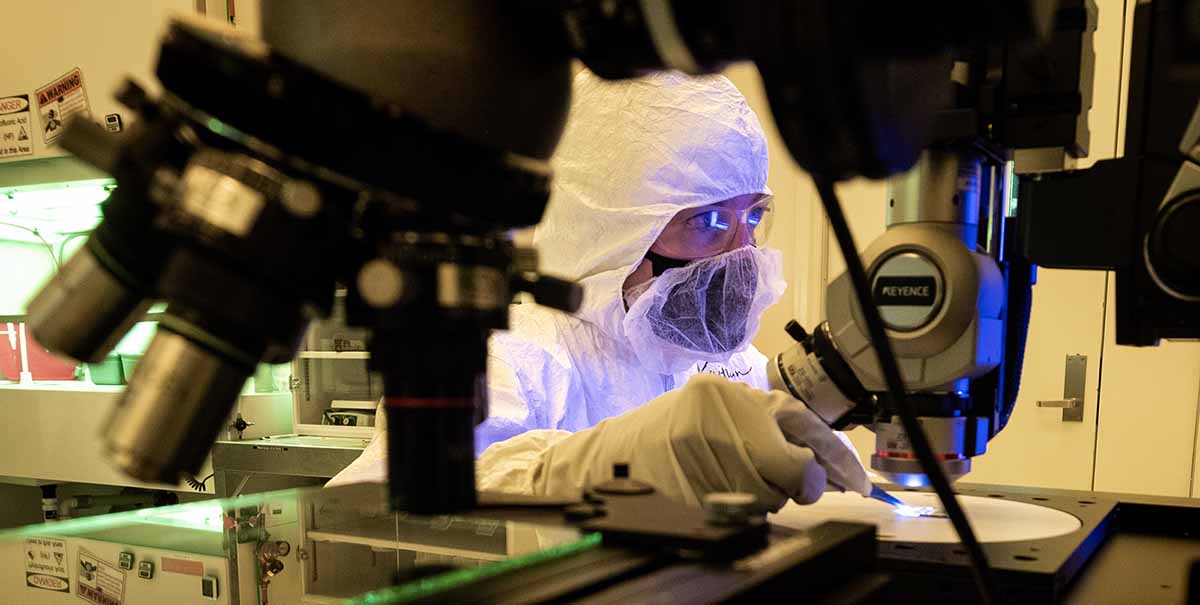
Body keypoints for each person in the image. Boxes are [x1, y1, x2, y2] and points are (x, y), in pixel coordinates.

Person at [329, 71, 869, 512]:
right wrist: (594, 467)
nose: (741, 252)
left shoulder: (729, 362)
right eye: (706, 219)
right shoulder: (512, 357)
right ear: (614, 229)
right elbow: (368, 503)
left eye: (752, 215)